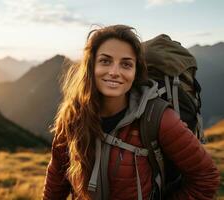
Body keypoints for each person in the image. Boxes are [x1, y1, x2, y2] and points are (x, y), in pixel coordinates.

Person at [42, 25, 220, 200]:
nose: (114, 72)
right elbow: (57, 177)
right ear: (91, 65)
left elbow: (206, 177)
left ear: (136, 72)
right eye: (105, 61)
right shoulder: (73, 116)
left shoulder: (158, 118)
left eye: (126, 64)